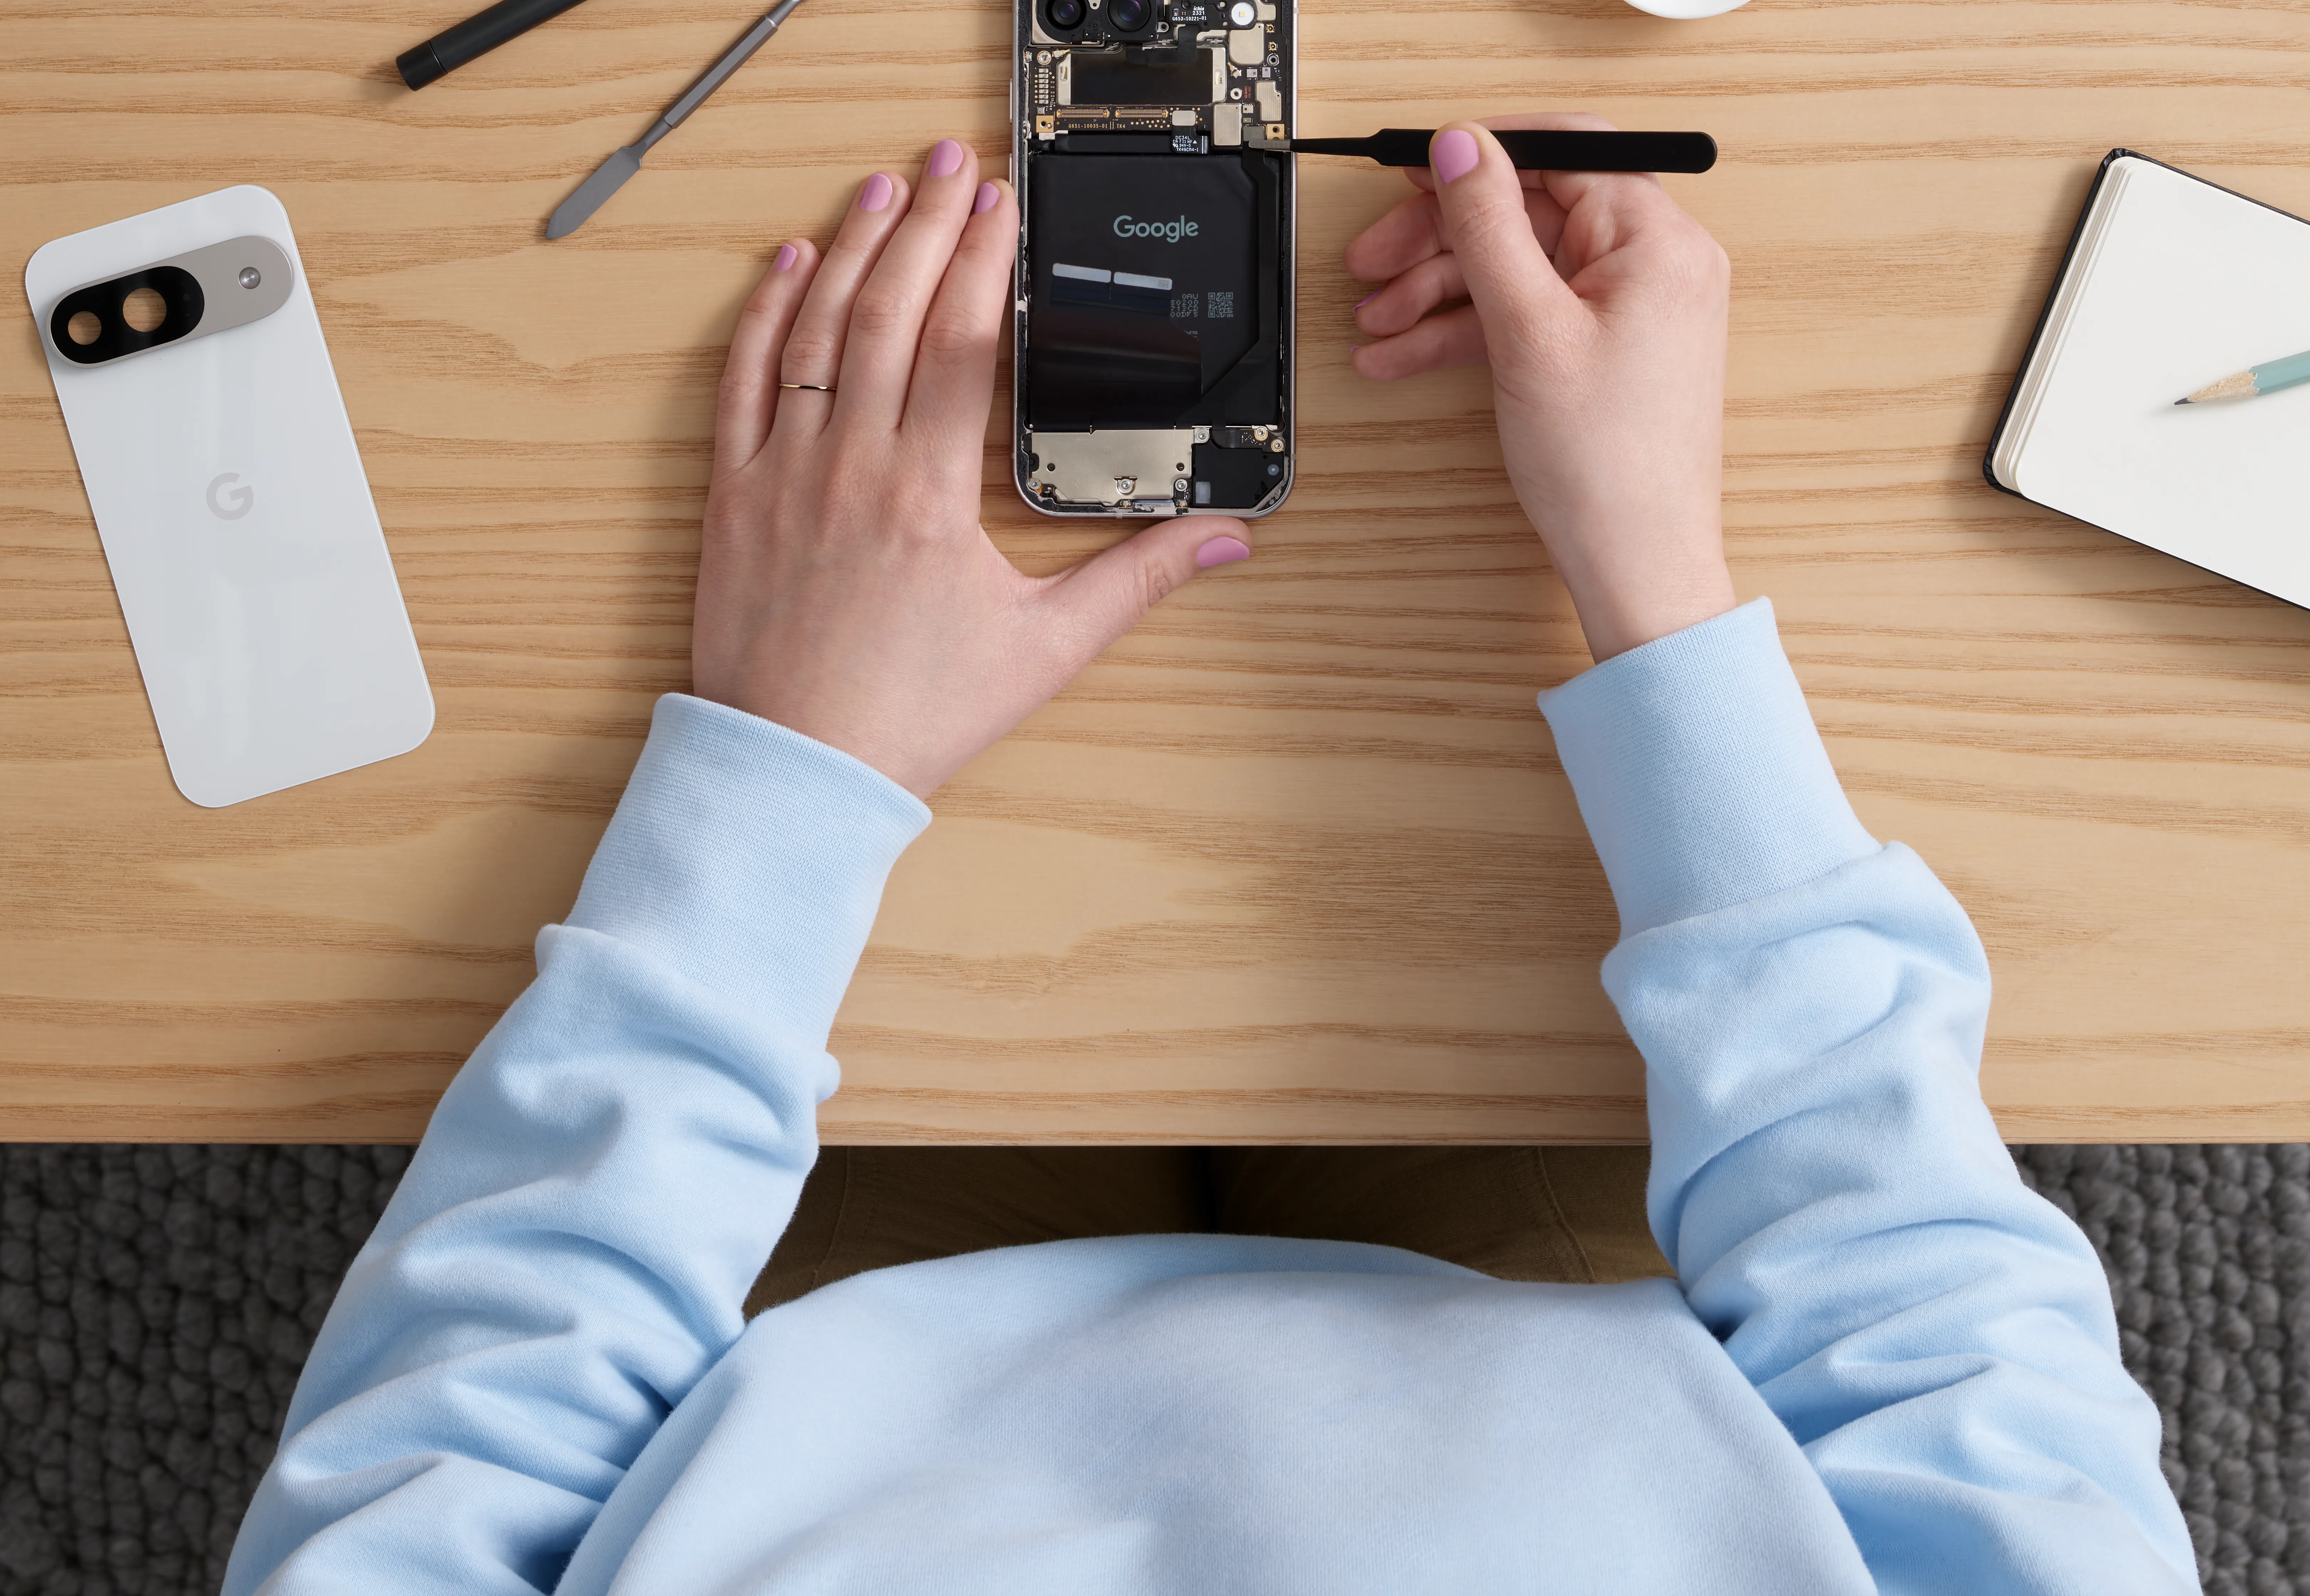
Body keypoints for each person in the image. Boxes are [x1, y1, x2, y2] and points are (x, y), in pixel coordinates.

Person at [223, 123, 2198, 1595]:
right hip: (1582, 1337)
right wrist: (1657, 582)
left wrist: (783, 774)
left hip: (806, 1348)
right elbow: (1949, 1368)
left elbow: (426, 1481)